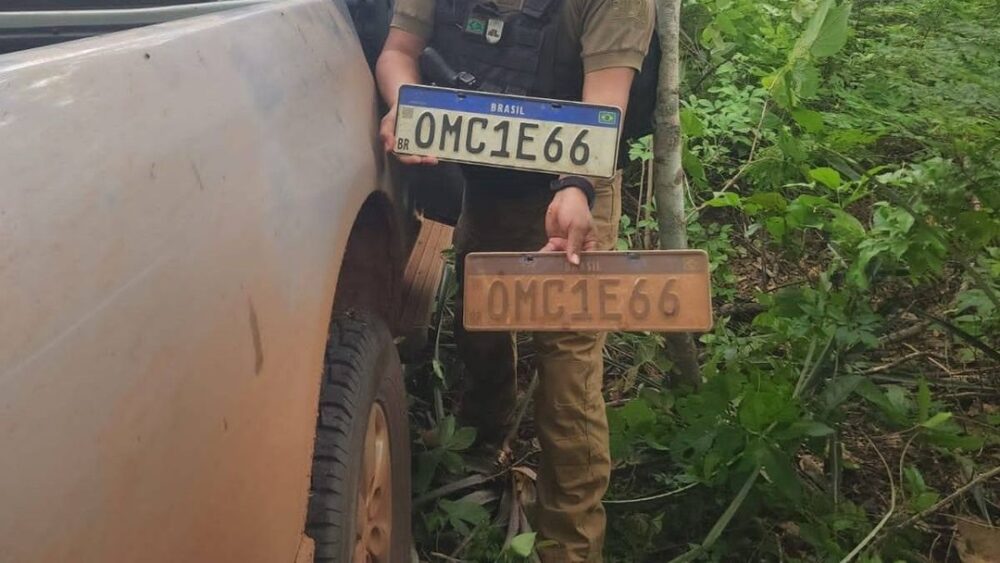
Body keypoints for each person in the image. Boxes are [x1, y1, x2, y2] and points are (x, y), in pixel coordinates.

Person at [374, 0, 653, 558]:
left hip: (579, 186)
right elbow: (398, 51)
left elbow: (605, 103)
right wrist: (407, 105)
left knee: (569, 376)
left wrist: (575, 186)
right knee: (479, 319)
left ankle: (571, 542)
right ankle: (480, 441)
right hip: (491, 183)